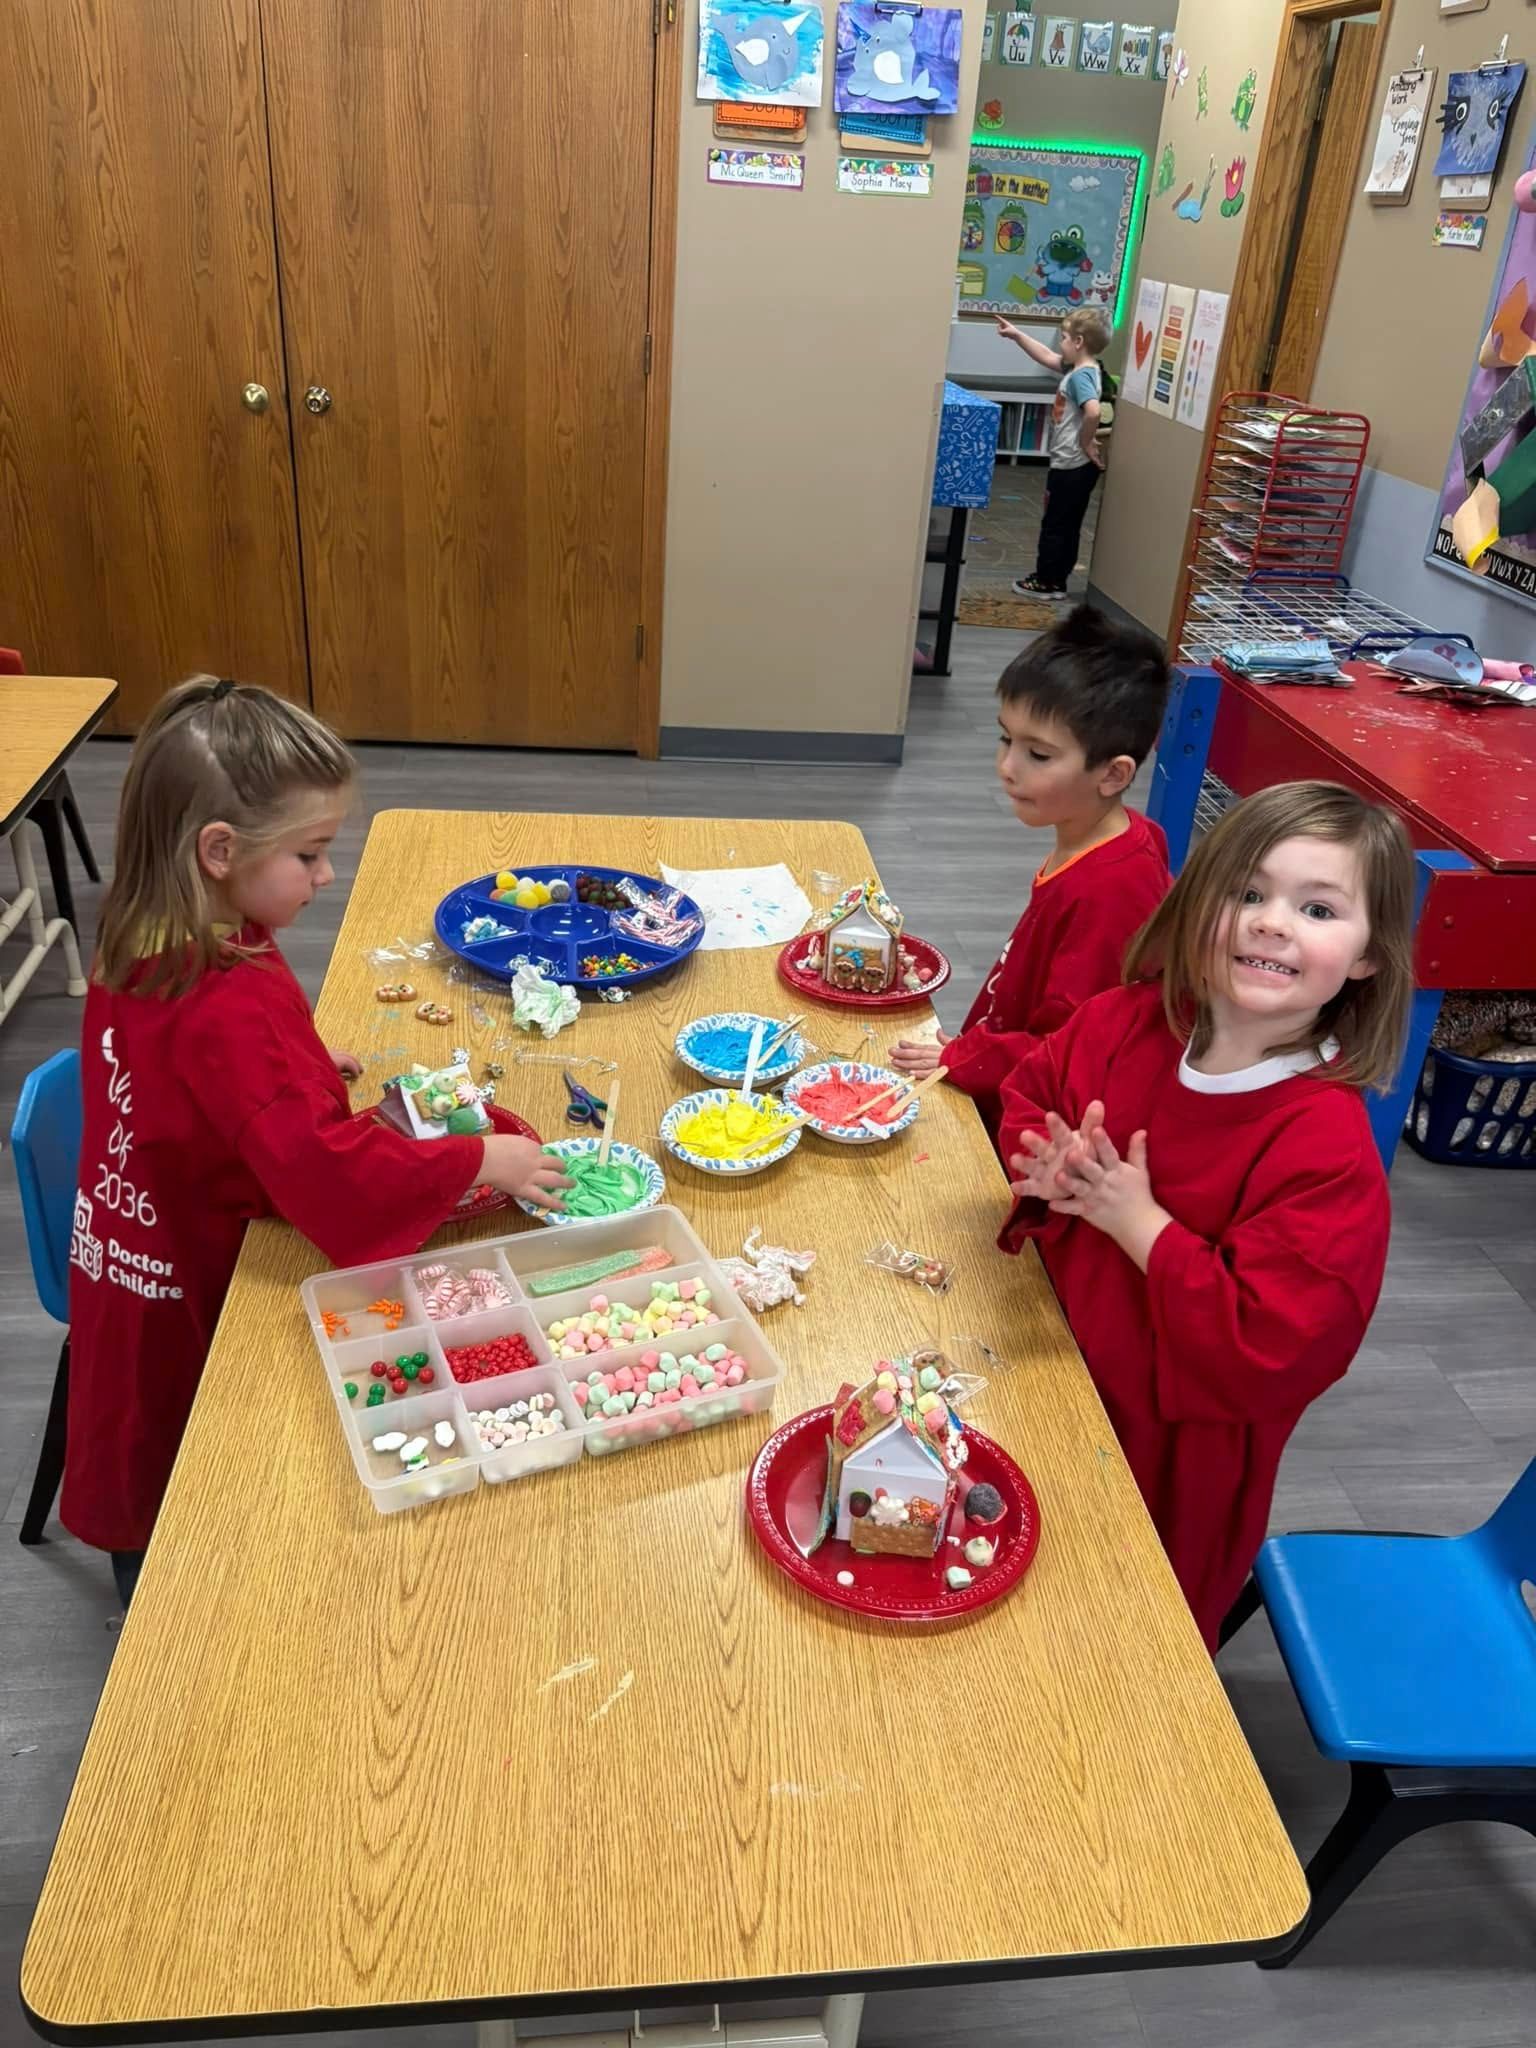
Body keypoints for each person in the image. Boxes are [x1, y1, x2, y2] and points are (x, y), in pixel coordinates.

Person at [63, 677, 572, 1607]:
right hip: (194, 1294)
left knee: (136, 1435)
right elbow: (330, 1187)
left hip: (122, 1267)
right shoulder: (230, 996)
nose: (325, 876)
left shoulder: (146, 933)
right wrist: (477, 1158)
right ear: (219, 851)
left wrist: (293, 1063)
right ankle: (161, 1609)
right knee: (183, 1498)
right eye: (311, 854)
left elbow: (198, 1081)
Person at [997, 781, 1415, 1649]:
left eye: (1319, 907)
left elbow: (1277, 1346)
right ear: (1198, 907)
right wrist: (1047, 1159)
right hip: (1047, 1371)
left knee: (1106, 1642)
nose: (1272, 922)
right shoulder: (1126, 1022)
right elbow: (1030, 1091)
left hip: (1165, 1461)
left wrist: (1135, 1219)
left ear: (1370, 955)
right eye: (1249, 893)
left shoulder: (1326, 1148)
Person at [890, 606, 1171, 1139]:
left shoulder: (1111, 887)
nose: (1007, 767)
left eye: (1038, 754)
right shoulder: (1100, 841)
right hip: (1004, 1066)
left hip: (1037, 1122)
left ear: (1113, 774)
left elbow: (1072, 1046)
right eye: (1005, 739)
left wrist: (966, 1057)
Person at [995, 308, 1110, 600]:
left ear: (1079, 341)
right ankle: (1056, 577)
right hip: (1075, 466)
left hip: (1071, 464)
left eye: (1064, 338)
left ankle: (1048, 581)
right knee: (1066, 523)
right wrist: (1017, 335)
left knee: (1056, 525)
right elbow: (1046, 356)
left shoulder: (1079, 378)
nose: (1061, 344)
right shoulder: (1084, 369)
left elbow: (1093, 411)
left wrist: (1086, 441)